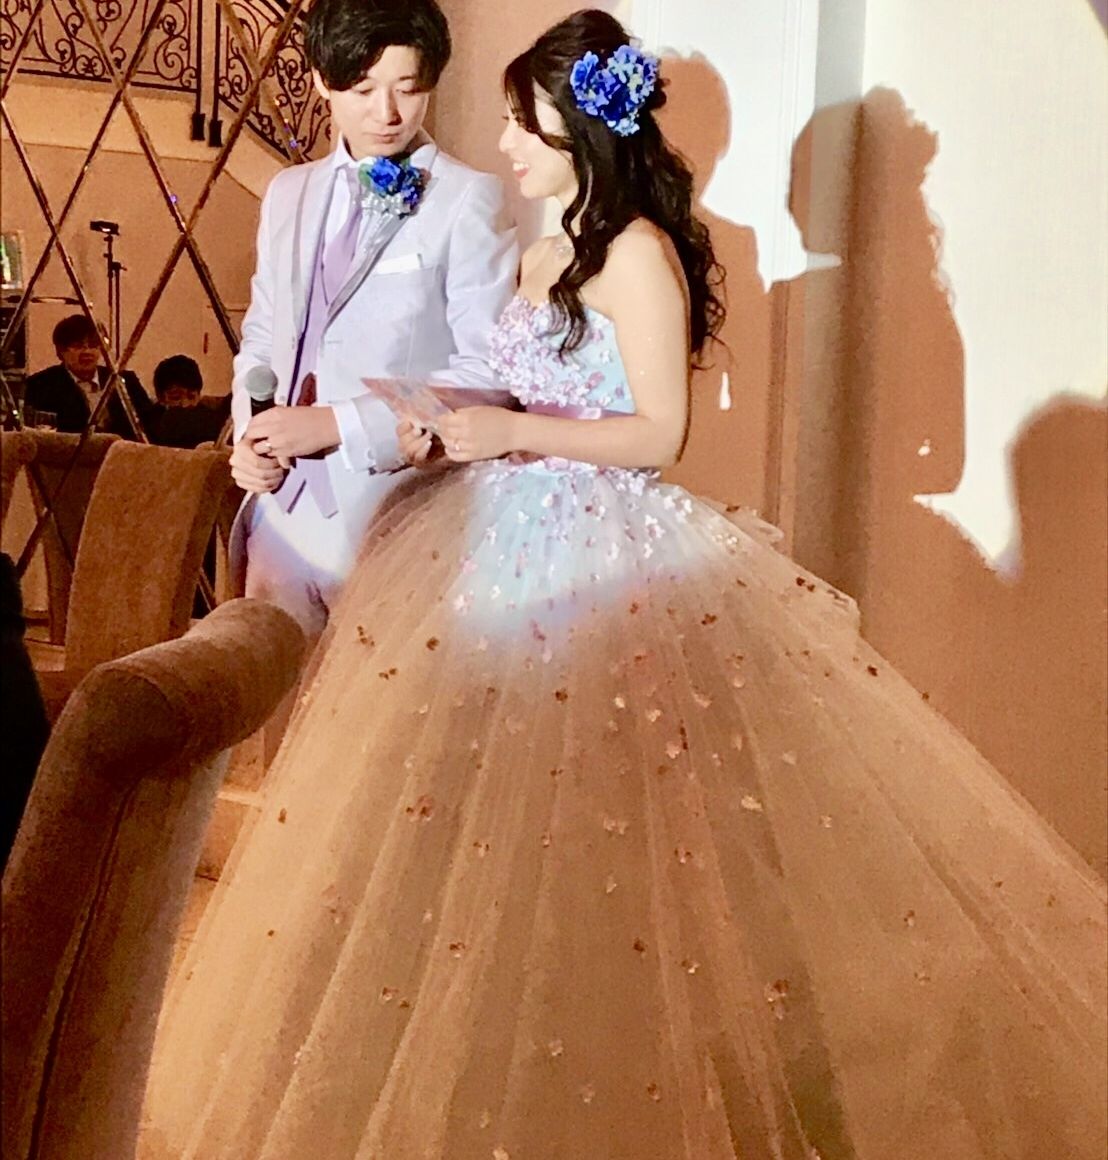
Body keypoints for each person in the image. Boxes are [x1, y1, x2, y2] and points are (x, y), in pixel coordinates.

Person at [140, 13, 1106, 1159]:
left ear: (575, 125)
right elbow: (472, 380)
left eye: (521, 120)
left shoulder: (637, 251)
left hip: (597, 551)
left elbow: (658, 433)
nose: (502, 140)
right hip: (491, 541)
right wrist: (389, 424)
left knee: (609, 839)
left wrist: (509, 428)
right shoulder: (544, 248)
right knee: (472, 839)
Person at [226, 0, 517, 639]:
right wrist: (251, 438)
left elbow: (488, 372)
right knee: (268, 697)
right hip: (280, 515)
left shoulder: (467, 198)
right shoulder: (288, 193)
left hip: (396, 514)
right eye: (362, 90)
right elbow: (262, 337)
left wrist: (339, 423)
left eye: (407, 89)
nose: (387, 113)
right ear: (322, 81)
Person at [21, 313, 153, 438]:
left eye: (93, 345)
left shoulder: (124, 380)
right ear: (61, 350)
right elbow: (40, 434)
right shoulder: (41, 385)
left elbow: (150, 424)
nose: (87, 352)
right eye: (78, 346)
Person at [147, 354, 231, 449]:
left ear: (199, 395)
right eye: (176, 397)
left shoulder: (208, 418)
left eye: (191, 397)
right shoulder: (152, 424)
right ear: (161, 398)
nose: (185, 404)